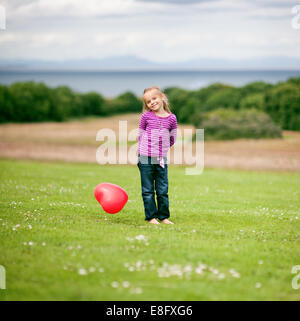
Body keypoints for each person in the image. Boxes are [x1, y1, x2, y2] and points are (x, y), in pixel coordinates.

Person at [137, 86, 177, 225]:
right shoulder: (146, 116)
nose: (152, 102)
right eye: (148, 101)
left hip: (161, 159)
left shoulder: (171, 118)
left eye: (154, 98)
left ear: (162, 97)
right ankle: (151, 217)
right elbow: (140, 135)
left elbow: (172, 138)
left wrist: (162, 149)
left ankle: (164, 216)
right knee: (148, 190)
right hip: (145, 157)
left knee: (162, 189)